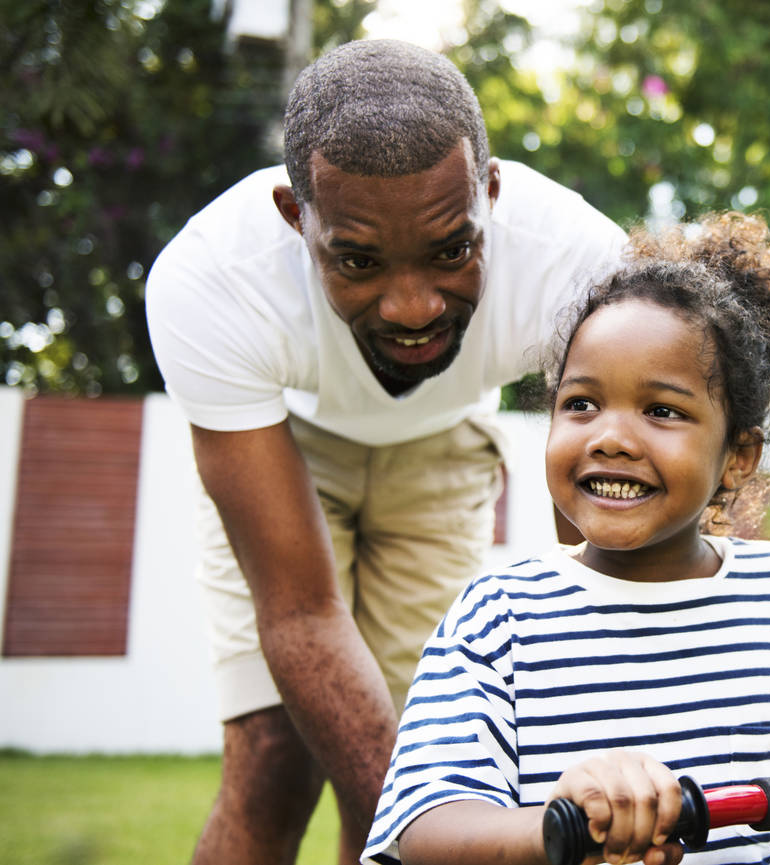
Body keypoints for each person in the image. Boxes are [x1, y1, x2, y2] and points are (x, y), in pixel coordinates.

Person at [360, 212, 770, 865]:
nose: (609, 436)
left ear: (738, 454)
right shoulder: (499, 616)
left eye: (661, 410)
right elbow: (425, 825)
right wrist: (559, 826)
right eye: (581, 402)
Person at [144, 38, 627, 865]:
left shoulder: (578, 266)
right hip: (285, 448)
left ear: (491, 193)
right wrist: (433, 833)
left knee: (430, 744)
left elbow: (594, 573)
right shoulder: (210, 281)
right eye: (358, 260)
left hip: (442, 458)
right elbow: (299, 613)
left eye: (451, 251)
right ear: (296, 219)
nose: (411, 307)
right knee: (275, 759)